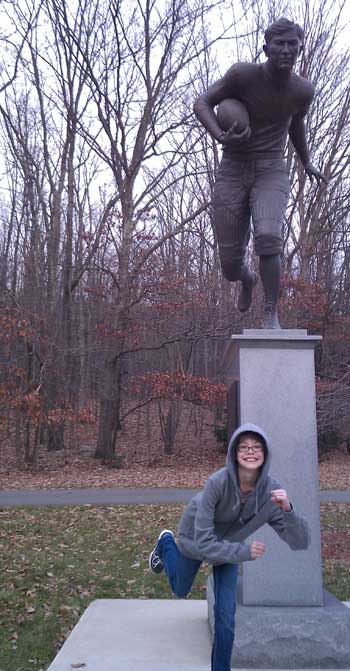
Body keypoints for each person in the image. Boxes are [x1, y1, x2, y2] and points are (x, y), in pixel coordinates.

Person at [193, 17, 327, 328]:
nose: (285, 50)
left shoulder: (303, 91)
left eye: (292, 44)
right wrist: (218, 133)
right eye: (278, 44)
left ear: (300, 48)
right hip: (233, 168)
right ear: (265, 47)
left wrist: (306, 161)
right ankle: (247, 279)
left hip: (271, 169)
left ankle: (271, 311)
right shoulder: (242, 75)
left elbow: (296, 124)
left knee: (268, 237)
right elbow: (202, 102)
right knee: (229, 265)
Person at [149, 422, 309, 671]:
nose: (250, 451)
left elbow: (300, 543)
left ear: (265, 455)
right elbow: (204, 543)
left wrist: (288, 510)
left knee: (225, 617)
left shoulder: (271, 493)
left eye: (257, 447)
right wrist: (244, 552)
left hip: (229, 548)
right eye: (244, 447)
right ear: (234, 453)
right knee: (180, 589)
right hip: (195, 538)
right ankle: (166, 543)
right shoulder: (217, 483)